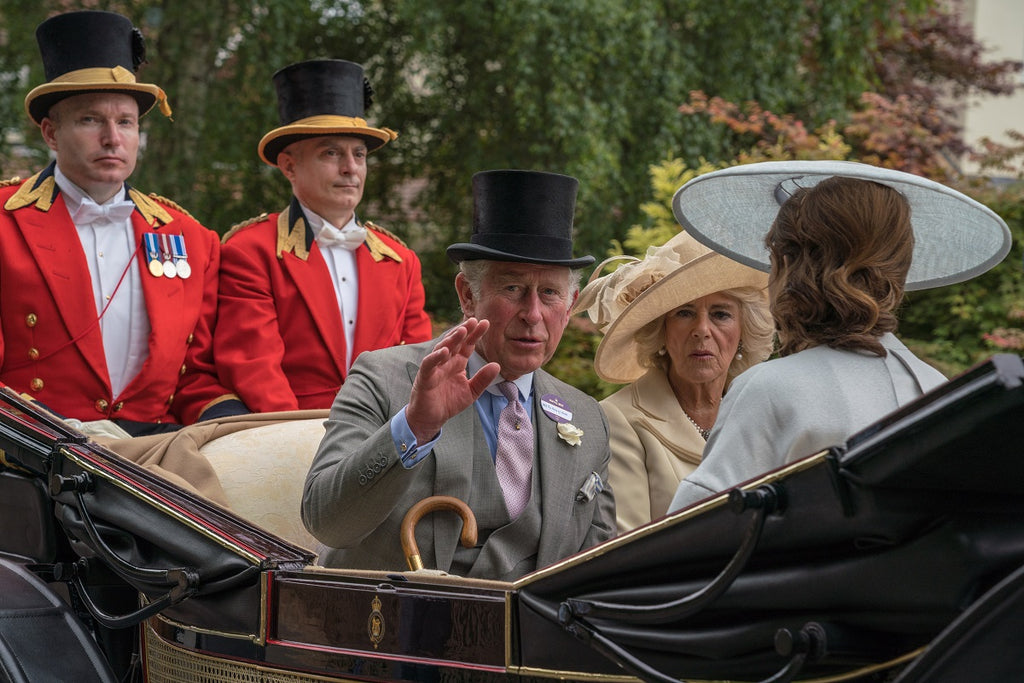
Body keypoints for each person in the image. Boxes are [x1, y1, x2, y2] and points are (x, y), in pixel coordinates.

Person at [302, 169, 616, 580]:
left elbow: (602, 567)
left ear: (571, 304)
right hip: (392, 631)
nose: (533, 314)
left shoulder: (586, 417)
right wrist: (415, 426)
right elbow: (327, 522)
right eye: (514, 289)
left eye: (550, 293)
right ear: (468, 296)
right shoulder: (383, 378)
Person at [668, 160, 1012, 511]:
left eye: (774, 259)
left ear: (789, 266)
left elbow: (688, 533)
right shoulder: (937, 390)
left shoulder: (771, 389)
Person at [0, 10, 239, 436]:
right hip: (33, 460)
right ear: (51, 134)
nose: (113, 137)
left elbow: (193, 377)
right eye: (91, 119)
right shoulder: (4, 223)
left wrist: (235, 427)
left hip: (155, 465)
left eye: (125, 122)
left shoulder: (190, 238)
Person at [214, 59, 432, 412]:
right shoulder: (250, 251)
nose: (350, 168)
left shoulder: (400, 261)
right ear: (289, 166)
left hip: (383, 435)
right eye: (331, 153)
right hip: (289, 436)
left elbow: (417, 370)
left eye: (358, 154)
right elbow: (254, 368)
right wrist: (306, 444)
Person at [574, 231, 772, 531]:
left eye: (720, 314)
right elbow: (629, 545)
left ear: (744, 331)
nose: (702, 330)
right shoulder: (617, 420)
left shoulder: (761, 411)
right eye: (684, 313)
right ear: (662, 331)